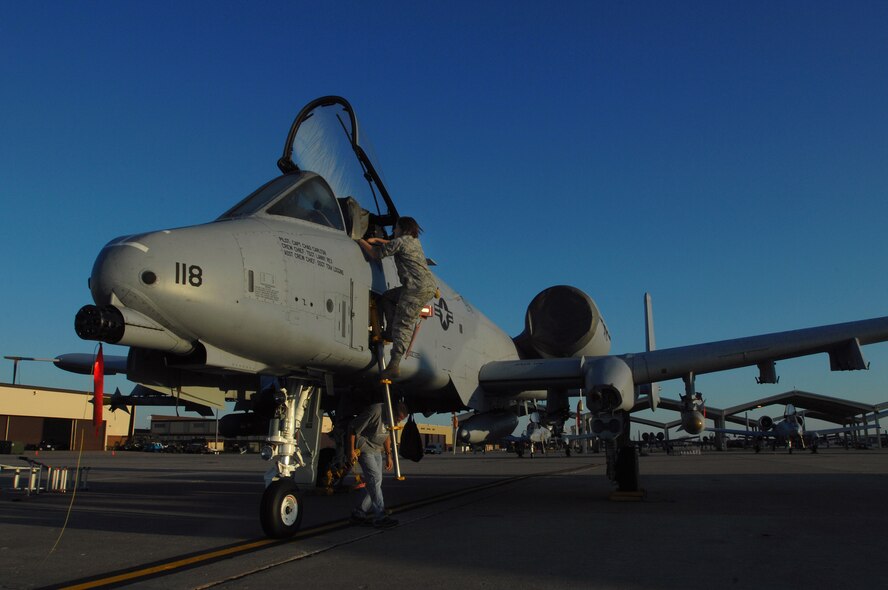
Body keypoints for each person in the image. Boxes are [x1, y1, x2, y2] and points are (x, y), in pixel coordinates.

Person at [356, 217, 437, 380]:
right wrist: (378, 239)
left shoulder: (400, 243)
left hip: (415, 288)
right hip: (425, 285)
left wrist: (359, 240)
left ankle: (394, 365)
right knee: (387, 297)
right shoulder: (414, 242)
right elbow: (392, 244)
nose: (394, 231)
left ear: (403, 229)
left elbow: (375, 254)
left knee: (403, 323)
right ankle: (390, 332)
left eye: (396, 228)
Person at [348, 400, 409, 528]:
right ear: (392, 413)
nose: (398, 422)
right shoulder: (375, 411)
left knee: (375, 482)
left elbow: (387, 435)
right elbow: (353, 429)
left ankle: (358, 513)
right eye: (398, 419)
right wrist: (351, 451)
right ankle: (380, 516)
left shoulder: (391, 420)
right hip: (364, 448)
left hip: (376, 449)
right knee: (374, 479)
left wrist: (388, 455)